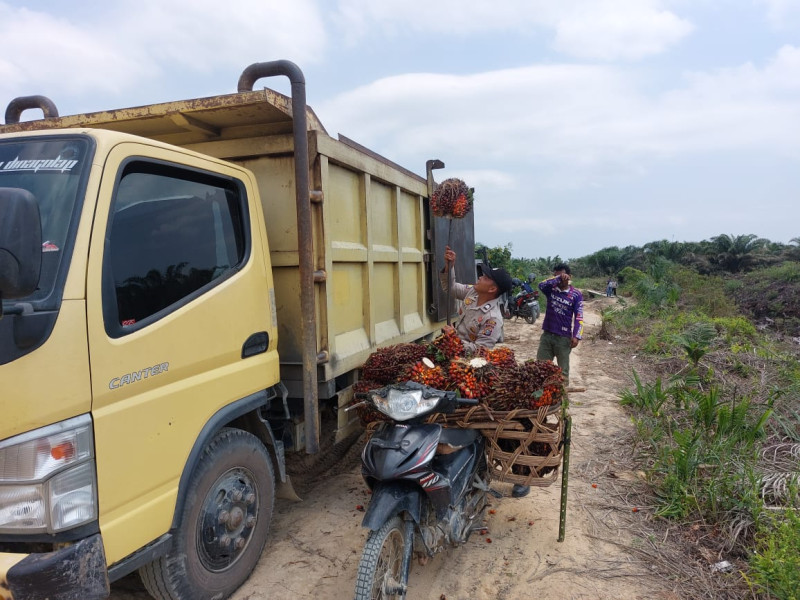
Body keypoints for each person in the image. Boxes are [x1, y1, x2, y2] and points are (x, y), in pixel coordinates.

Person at [439, 245, 512, 353]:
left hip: (467, 362)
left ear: (492, 289)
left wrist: (453, 337)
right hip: (452, 349)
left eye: (485, 278)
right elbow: (450, 288)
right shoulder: (473, 292)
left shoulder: (492, 319)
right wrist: (449, 266)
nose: (480, 277)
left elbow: (480, 350)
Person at [537, 264, 584, 387]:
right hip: (547, 335)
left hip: (563, 339)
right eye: (556, 276)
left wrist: (577, 336)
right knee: (540, 369)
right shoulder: (551, 289)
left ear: (569, 277)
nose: (560, 279)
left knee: (562, 373)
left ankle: (562, 400)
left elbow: (579, 317)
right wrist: (557, 279)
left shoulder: (576, 295)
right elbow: (540, 285)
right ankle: (542, 397)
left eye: (562, 276)